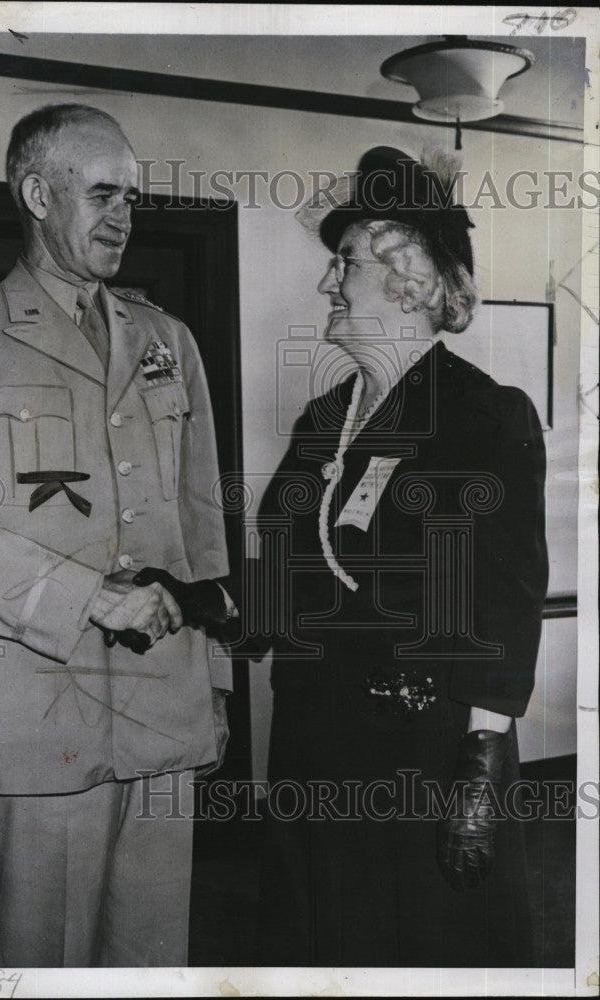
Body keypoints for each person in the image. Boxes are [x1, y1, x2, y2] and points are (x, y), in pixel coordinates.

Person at [0, 103, 233, 968]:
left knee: (152, 960)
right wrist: (90, 598)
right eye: (103, 193)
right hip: (30, 721)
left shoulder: (166, 340)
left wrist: (215, 679)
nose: (124, 216)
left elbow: (200, 528)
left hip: (162, 705)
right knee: (48, 965)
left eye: (133, 197)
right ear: (38, 194)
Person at [248, 146, 548, 966]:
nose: (327, 283)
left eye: (343, 262)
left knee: (419, 951)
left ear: (408, 279)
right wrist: (185, 598)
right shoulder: (322, 420)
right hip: (314, 746)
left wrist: (480, 779)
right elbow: (276, 577)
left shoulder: (482, 414)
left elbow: (506, 604)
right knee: (320, 947)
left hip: (422, 757)